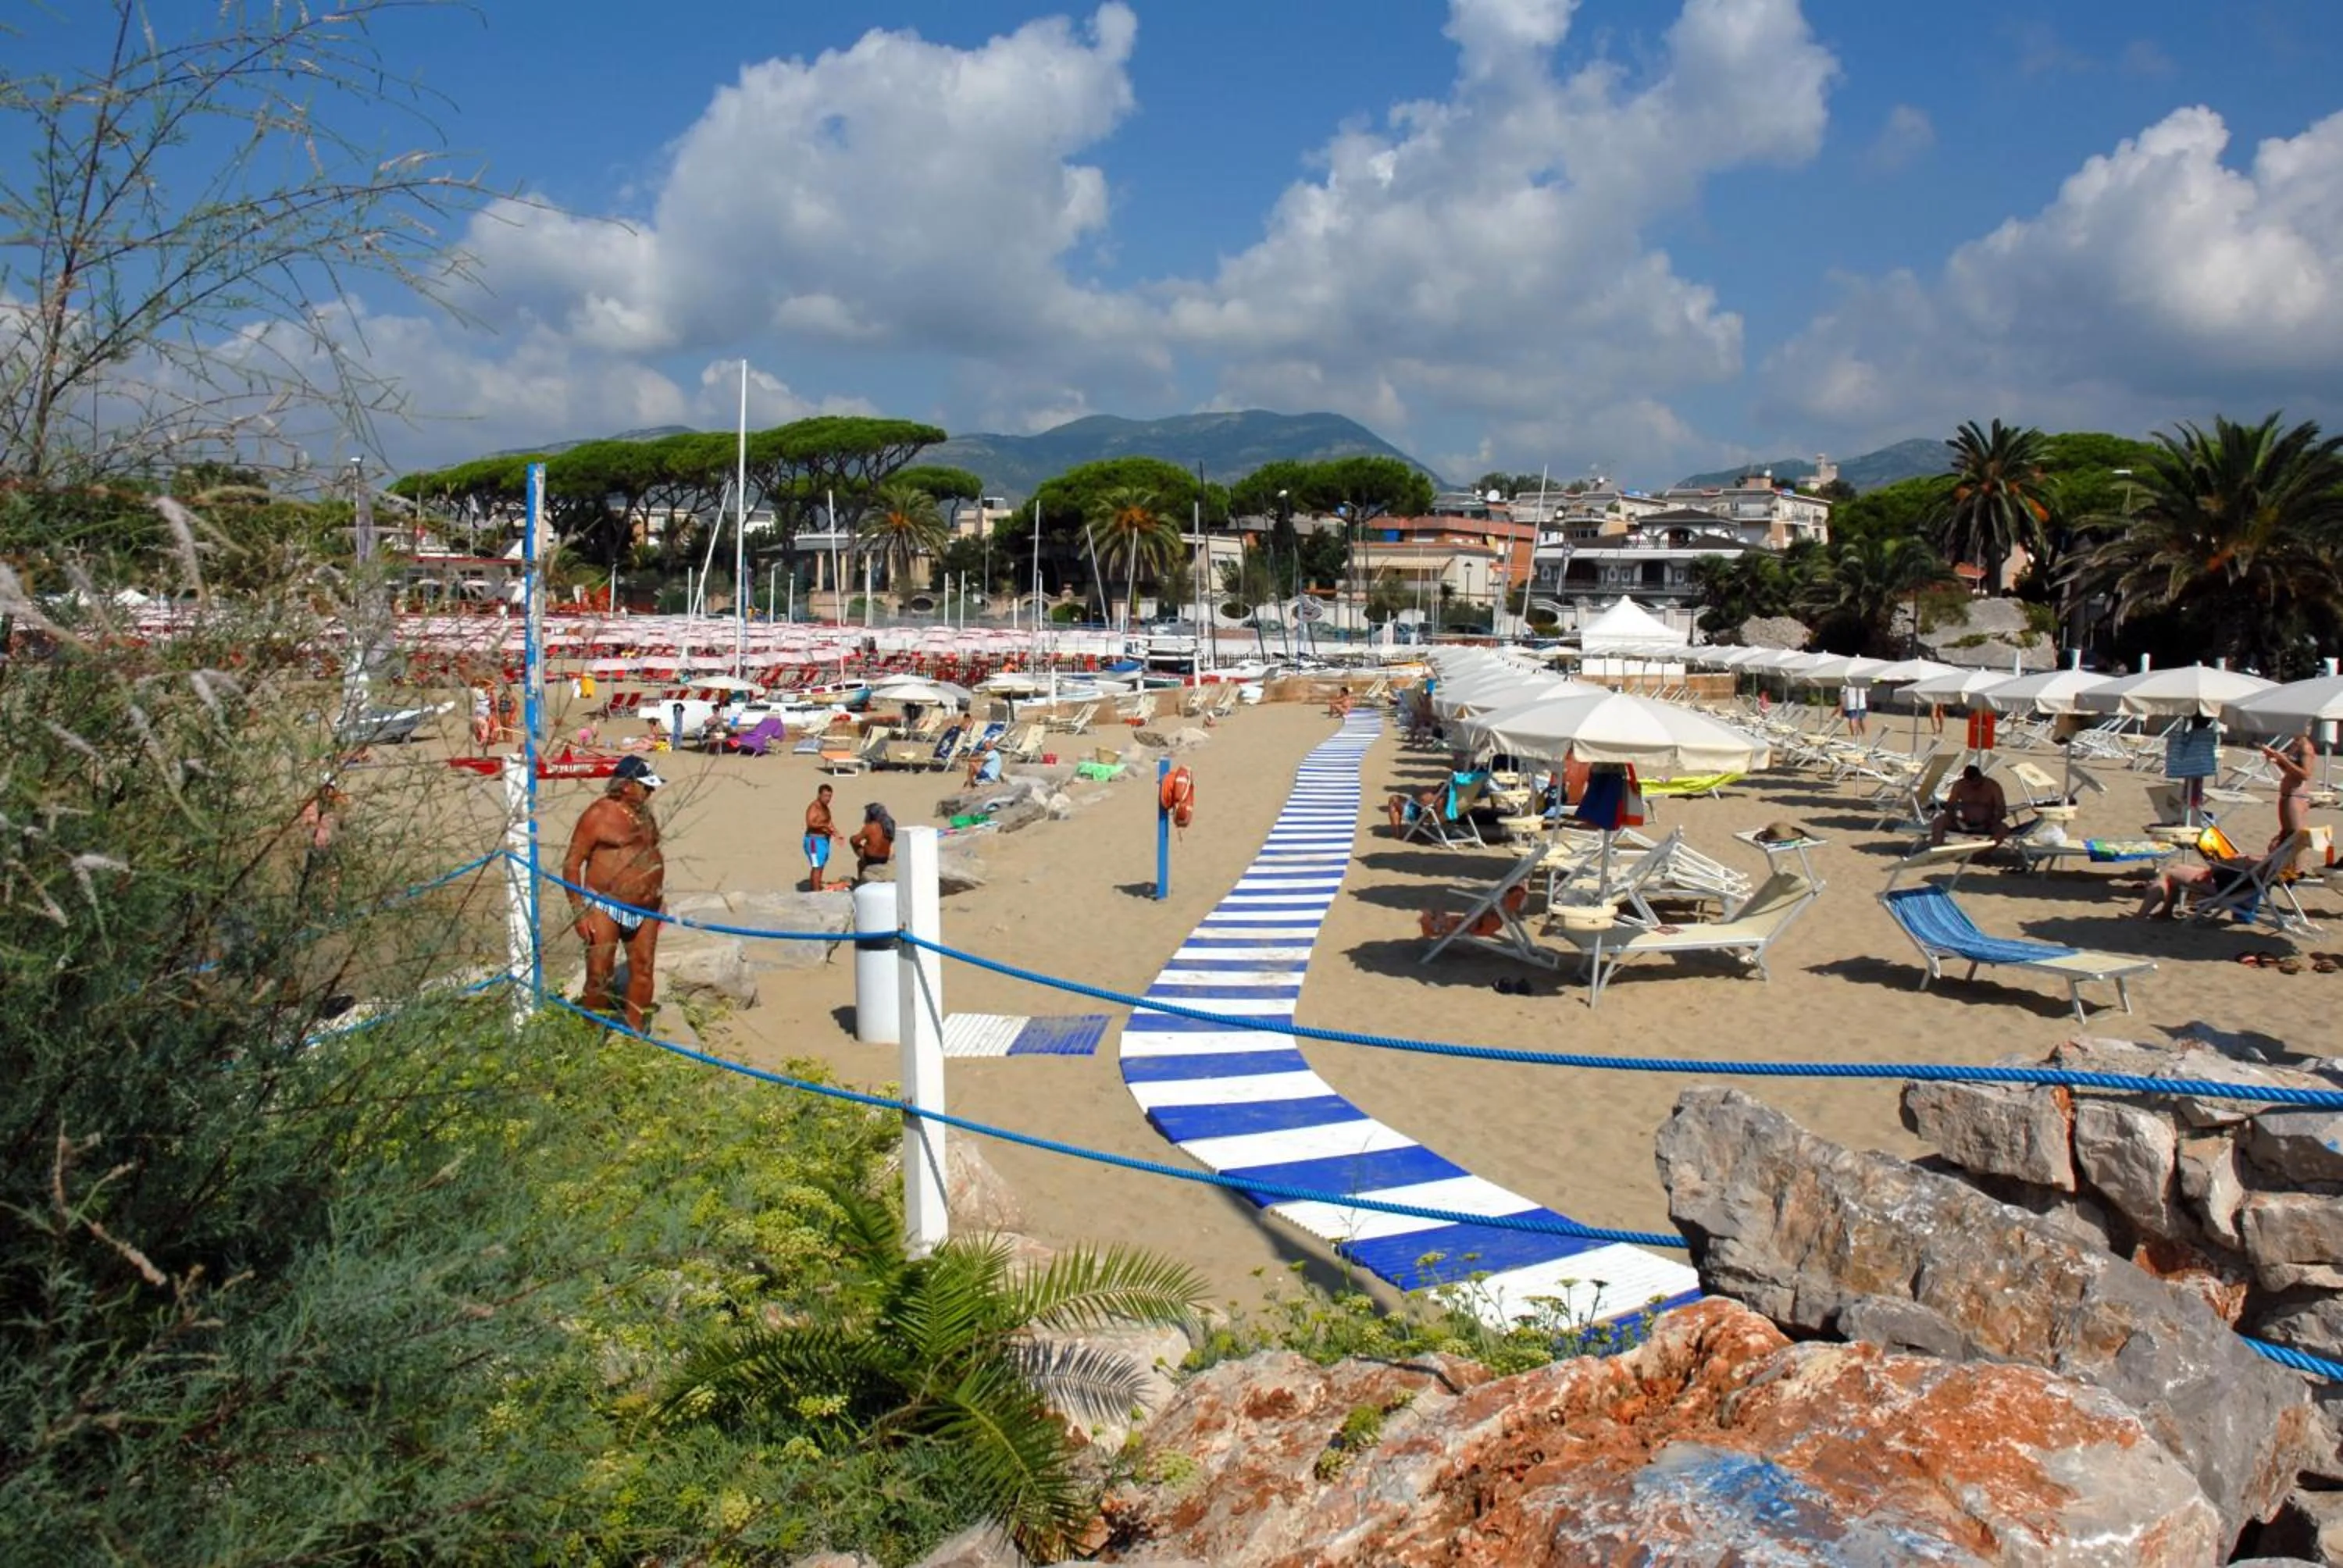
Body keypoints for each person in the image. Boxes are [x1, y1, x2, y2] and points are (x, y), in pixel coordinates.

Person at [561, 755, 665, 1029]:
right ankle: (590, 1039)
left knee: (643, 969)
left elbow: (651, 853)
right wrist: (579, 911)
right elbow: (572, 864)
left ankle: (635, 1036)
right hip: (604, 904)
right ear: (627, 785)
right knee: (600, 974)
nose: (651, 792)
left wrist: (660, 896)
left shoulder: (644, 813)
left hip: (646, 908)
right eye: (647, 786)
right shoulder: (598, 815)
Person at [1930, 764, 2010, 846]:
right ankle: (1936, 849)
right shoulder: (1960, 785)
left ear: (1981, 776)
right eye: (1971, 783)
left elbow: (2002, 811)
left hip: (1987, 824)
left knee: (2003, 829)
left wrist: (1989, 823)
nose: (1974, 785)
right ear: (1966, 780)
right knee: (1939, 821)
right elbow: (1950, 806)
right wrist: (1957, 821)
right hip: (1966, 823)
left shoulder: (1993, 786)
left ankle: (1979, 855)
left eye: (1977, 781)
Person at [2263, 730, 2317, 839]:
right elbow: (2290, 770)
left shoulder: (2305, 747)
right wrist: (2277, 760)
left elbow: (2306, 775)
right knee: (2286, 834)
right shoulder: (2295, 744)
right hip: (2287, 794)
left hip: (2296, 795)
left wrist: (2284, 759)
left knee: (2295, 836)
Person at [804, 782, 843, 892]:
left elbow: (829, 822)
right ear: (819, 795)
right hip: (813, 841)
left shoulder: (825, 808)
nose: (828, 798)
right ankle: (816, 893)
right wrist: (824, 825)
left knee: (820, 866)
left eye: (830, 796)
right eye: (826, 796)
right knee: (817, 866)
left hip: (823, 841)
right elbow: (810, 823)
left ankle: (814, 889)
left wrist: (836, 834)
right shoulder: (814, 807)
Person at [848, 801, 896, 883]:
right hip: (884, 858)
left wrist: (853, 839)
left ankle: (861, 881)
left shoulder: (870, 826)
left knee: (852, 840)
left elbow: (856, 840)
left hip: (872, 858)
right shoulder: (888, 826)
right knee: (860, 863)